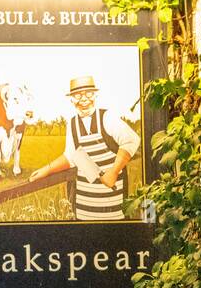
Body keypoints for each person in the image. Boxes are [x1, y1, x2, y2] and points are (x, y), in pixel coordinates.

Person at [28, 76, 141, 220]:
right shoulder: (72, 123)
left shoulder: (107, 117)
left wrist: (113, 172)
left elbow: (131, 140)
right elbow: (71, 156)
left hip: (112, 200)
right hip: (84, 203)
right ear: (72, 99)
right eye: (78, 95)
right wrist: (47, 169)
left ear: (95, 95)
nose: (84, 99)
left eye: (88, 93)